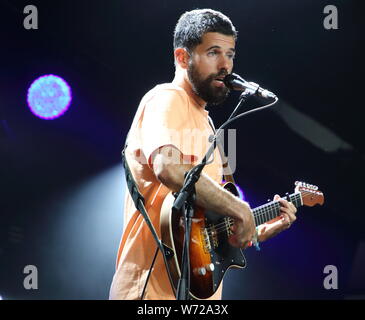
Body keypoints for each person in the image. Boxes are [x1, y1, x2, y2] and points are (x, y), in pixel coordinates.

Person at [109, 8, 297, 300]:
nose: (225, 65)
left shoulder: (209, 124)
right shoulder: (167, 97)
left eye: (231, 54)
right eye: (213, 52)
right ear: (182, 57)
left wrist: (256, 231)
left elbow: (206, 230)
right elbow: (169, 169)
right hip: (149, 292)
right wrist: (239, 209)